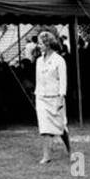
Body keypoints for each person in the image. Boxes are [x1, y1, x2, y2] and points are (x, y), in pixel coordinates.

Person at [34, 31, 71, 165]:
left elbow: (63, 81)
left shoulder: (59, 60)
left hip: (55, 97)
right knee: (44, 127)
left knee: (61, 127)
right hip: (41, 97)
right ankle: (46, 156)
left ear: (48, 44)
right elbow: (38, 80)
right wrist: (37, 95)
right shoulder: (38, 61)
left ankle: (69, 148)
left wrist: (62, 96)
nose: (39, 46)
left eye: (40, 43)